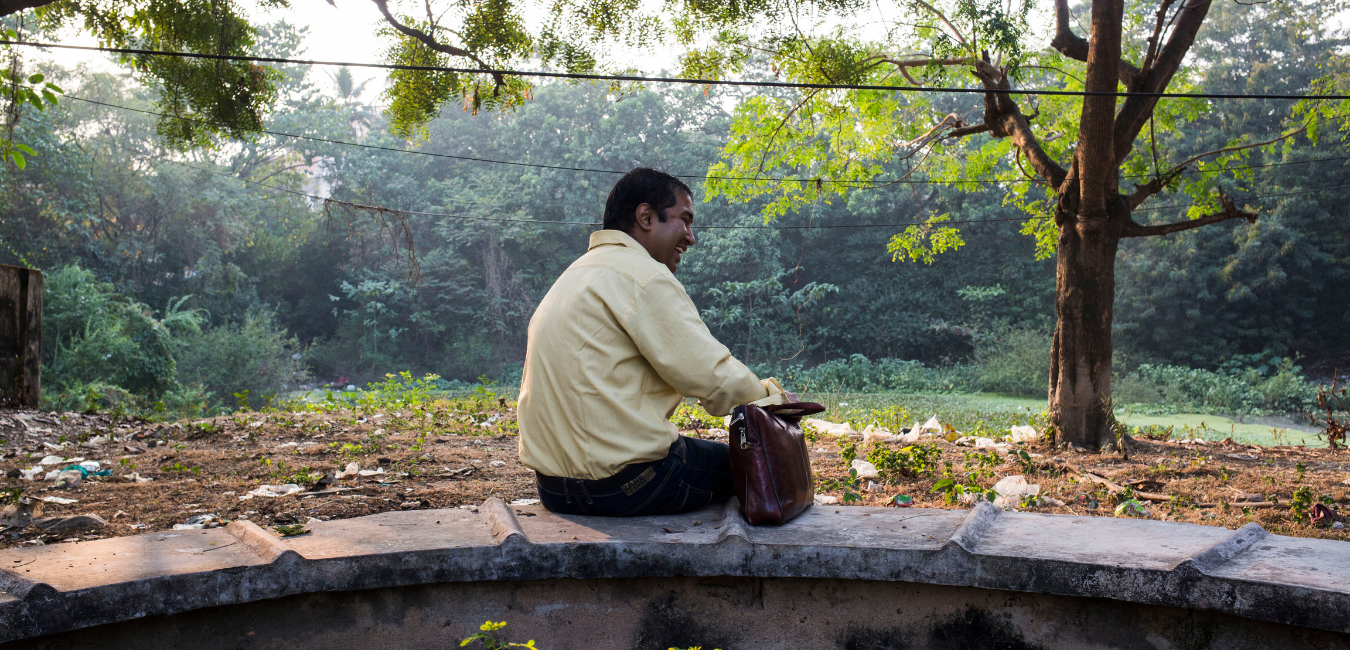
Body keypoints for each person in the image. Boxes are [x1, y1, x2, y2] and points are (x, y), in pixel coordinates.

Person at [517, 167, 785, 516]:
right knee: (755, 467)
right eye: (685, 220)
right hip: (626, 487)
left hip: (552, 488)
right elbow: (711, 374)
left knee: (699, 454)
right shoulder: (642, 276)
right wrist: (775, 402)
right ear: (645, 217)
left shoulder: (576, 274)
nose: (691, 237)